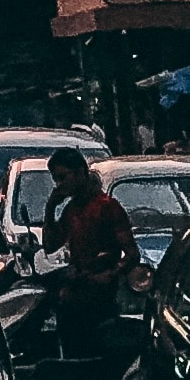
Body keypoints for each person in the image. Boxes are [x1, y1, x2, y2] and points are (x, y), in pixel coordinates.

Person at [40, 151, 137, 367]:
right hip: (74, 302)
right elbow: (50, 245)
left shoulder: (107, 207)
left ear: (80, 173)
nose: (59, 184)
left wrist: (109, 274)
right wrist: (49, 208)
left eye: (63, 177)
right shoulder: (71, 210)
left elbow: (132, 254)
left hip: (100, 305)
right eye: (56, 179)